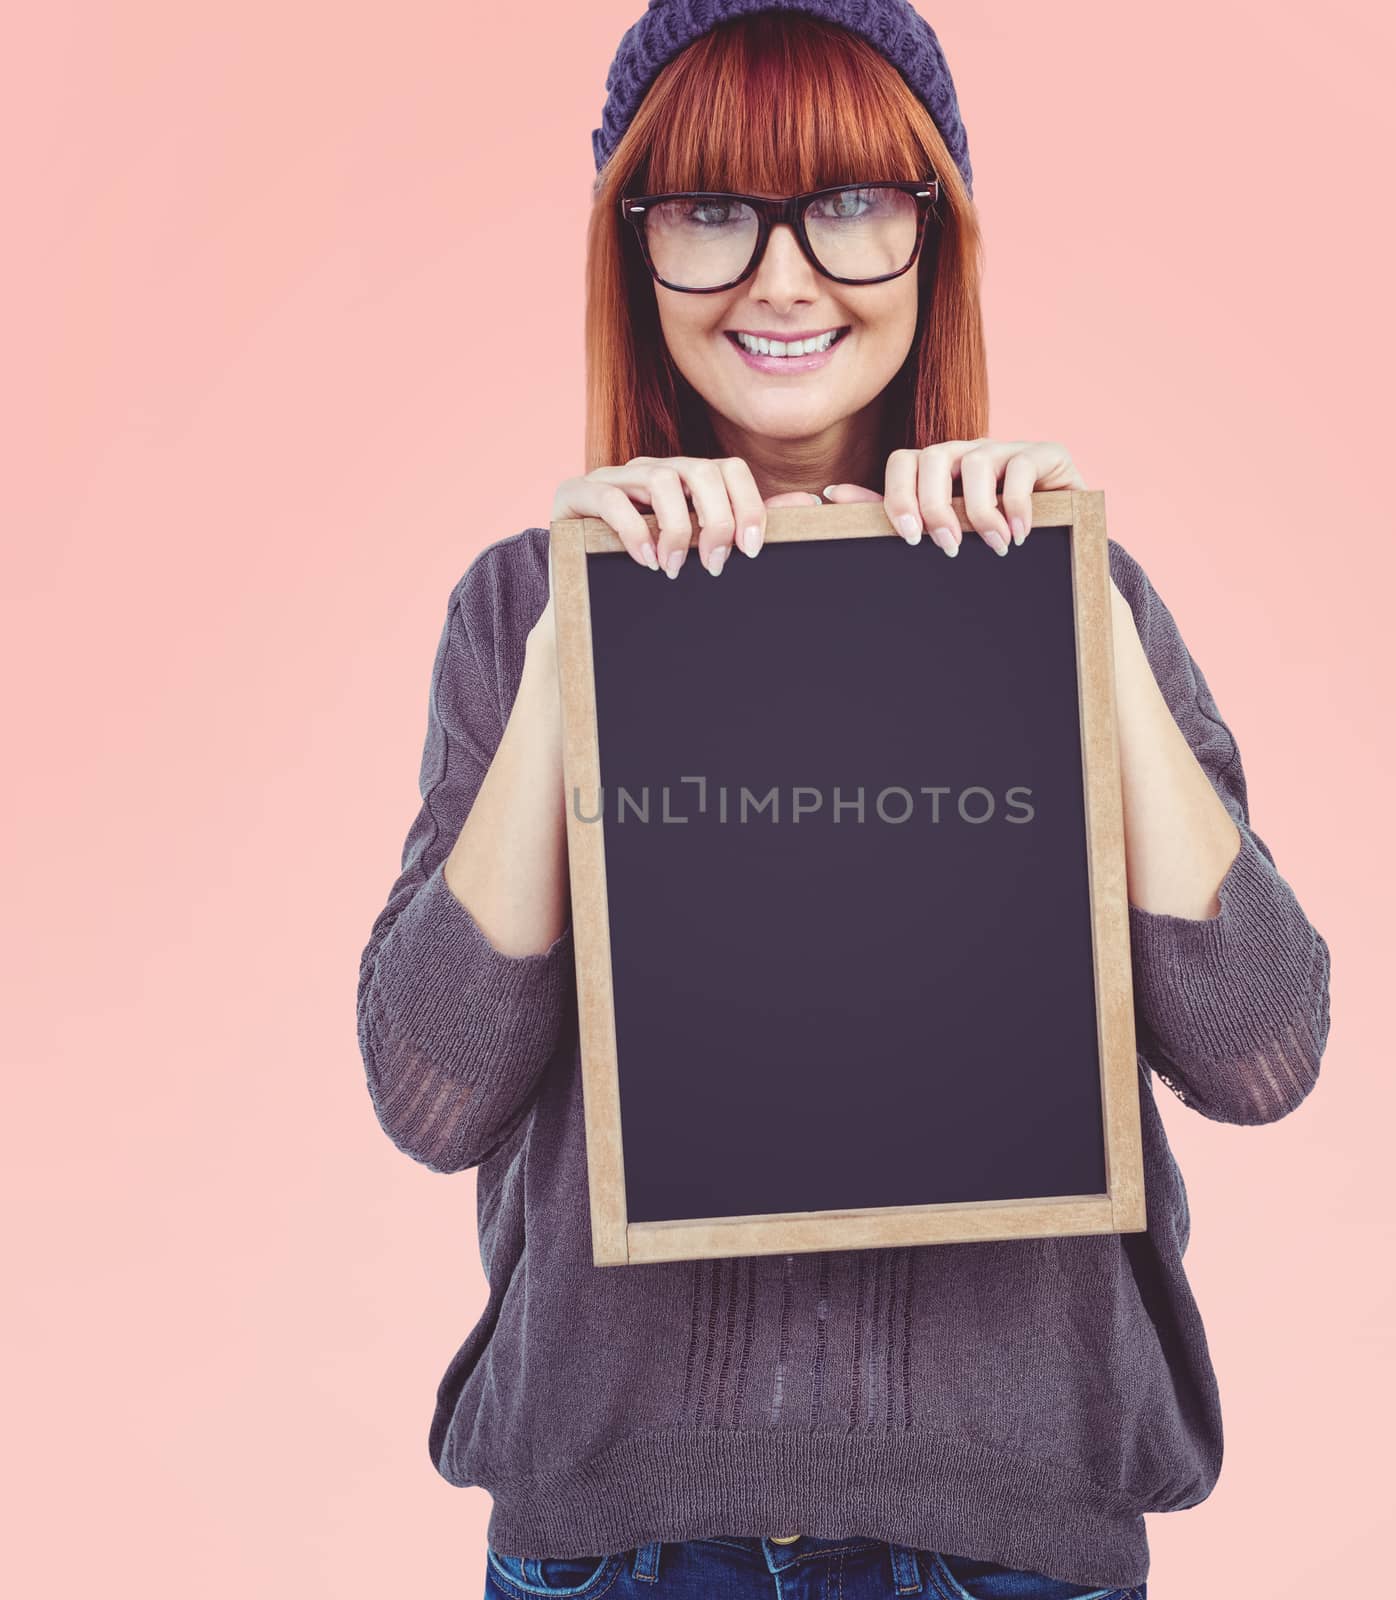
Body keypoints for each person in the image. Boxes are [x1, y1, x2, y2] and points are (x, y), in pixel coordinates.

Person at [353, 4, 1333, 1598]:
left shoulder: (1087, 599)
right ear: (634, 249)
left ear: (938, 244)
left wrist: (1066, 614)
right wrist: (569, 653)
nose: (786, 278)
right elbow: (432, 1092)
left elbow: (1261, 1047)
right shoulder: (517, 610)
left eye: (855, 204)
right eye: (713, 211)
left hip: (1009, 1545)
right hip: (620, 1548)